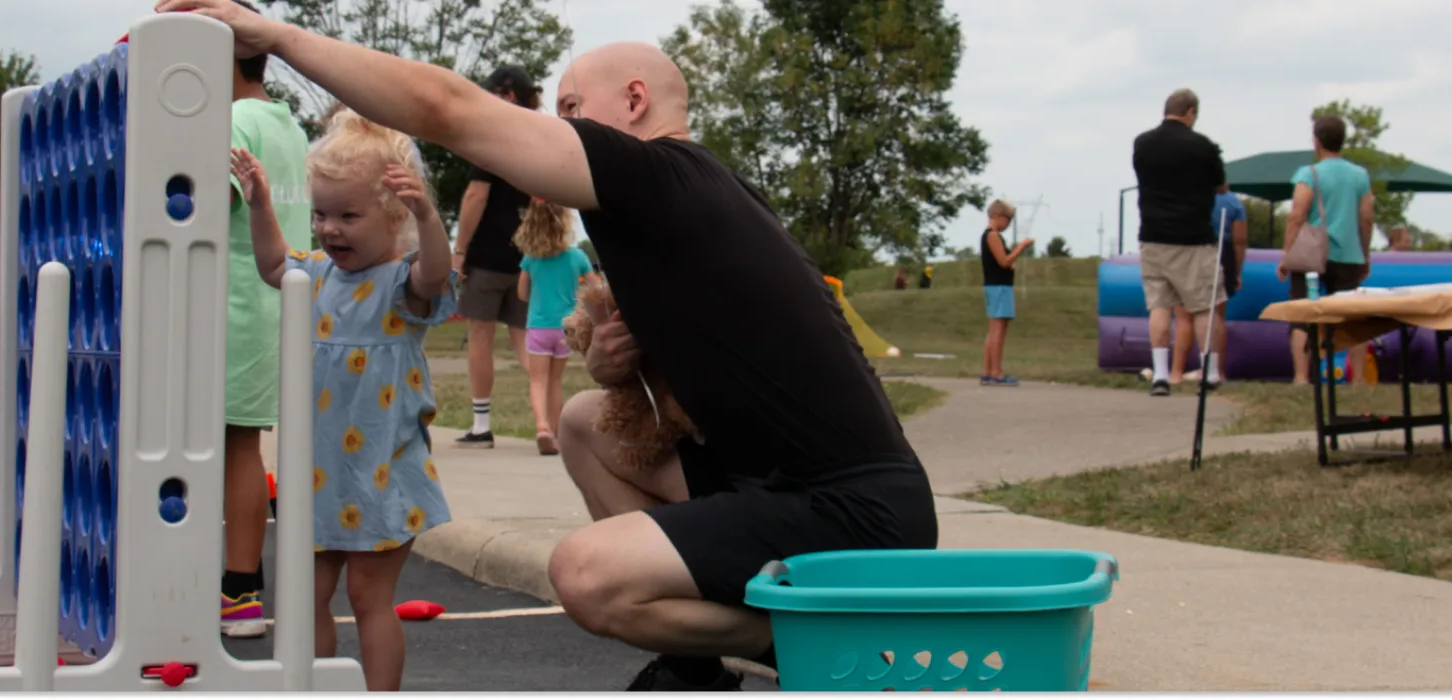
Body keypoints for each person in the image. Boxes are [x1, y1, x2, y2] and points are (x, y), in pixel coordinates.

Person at [147, 1, 940, 689]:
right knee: (591, 420)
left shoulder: (657, 174)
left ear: (633, 102)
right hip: (779, 483)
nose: (551, 129)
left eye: (566, 107)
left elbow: (445, 109)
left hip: (854, 512)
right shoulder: (675, 206)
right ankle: (697, 667)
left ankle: (810, 638)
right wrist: (622, 366)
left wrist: (273, 34)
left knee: (586, 577)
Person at [229, 105, 457, 692]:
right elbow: (274, 262)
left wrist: (430, 217)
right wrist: (259, 205)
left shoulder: (400, 286)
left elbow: (435, 276)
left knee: (367, 595)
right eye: (323, 214)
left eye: (349, 216)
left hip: (382, 469)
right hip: (319, 474)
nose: (330, 229)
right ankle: (313, 687)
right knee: (305, 596)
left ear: (393, 216)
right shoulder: (317, 276)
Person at [215, 0, 315, 639]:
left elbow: (193, 206)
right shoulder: (287, 125)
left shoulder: (228, 120)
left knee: (233, 447)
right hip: (277, 304)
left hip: (236, 308)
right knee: (240, 446)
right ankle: (237, 587)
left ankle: (239, 592)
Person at [451, 66, 544, 450]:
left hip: (487, 256)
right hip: (526, 255)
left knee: (480, 337)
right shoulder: (537, 138)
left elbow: (476, 197)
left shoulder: (490, 139)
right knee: (525, 341)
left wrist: (459, 251)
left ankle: (481, 424)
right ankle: (546, 419)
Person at [1133, 88, 1228, 396]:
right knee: (1203, 306)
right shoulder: (1203, 146)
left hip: (1153, 236)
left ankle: (1160, 375)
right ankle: (1210, 372)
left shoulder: (1142, 144)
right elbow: (1220, 185)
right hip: (1193, 238)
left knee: (1159, 306)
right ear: (1190, 112)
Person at [1281, 115, 1376, 385]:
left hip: (1311, 256)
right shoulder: (1360, 175)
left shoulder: (1308, 174)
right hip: (1348, 254)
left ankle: (1301, 377)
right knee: (1352, 318)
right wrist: (1365, 253)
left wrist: (1287, 254)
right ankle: (1357, 378)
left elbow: (1297, 215)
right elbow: (1366, 217)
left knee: (1302, 314)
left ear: (1317, 141)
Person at [515, 200, 596, 455]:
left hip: (538, 326)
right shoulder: (577, 257)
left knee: (538, 380)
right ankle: (556, 432)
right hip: (565, 328)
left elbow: (521, 293)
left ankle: (541, 427)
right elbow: (594, 289)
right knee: (556, 380)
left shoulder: (531, 258)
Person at [979, 200, 1030, 385]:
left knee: (994, 329)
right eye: (1008, 220)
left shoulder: (991, 236)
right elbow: (1004, 261)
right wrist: (1021, 247)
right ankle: (996, 372)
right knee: (998, 330)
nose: (1008, 225)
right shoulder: (992, 236)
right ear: (998, 216)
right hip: (999, 287)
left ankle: (988, 371)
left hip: (996, 285)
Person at [1208, 182, 1247, 382]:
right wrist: (1237, 272)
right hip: (1224, 254)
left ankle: (1177, 369)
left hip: (1196, 250)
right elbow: (1240, 240)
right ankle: (1218, 371)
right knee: (1217, 316)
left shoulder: (1193, 197)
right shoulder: (1234, 204)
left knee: (1187, 316)